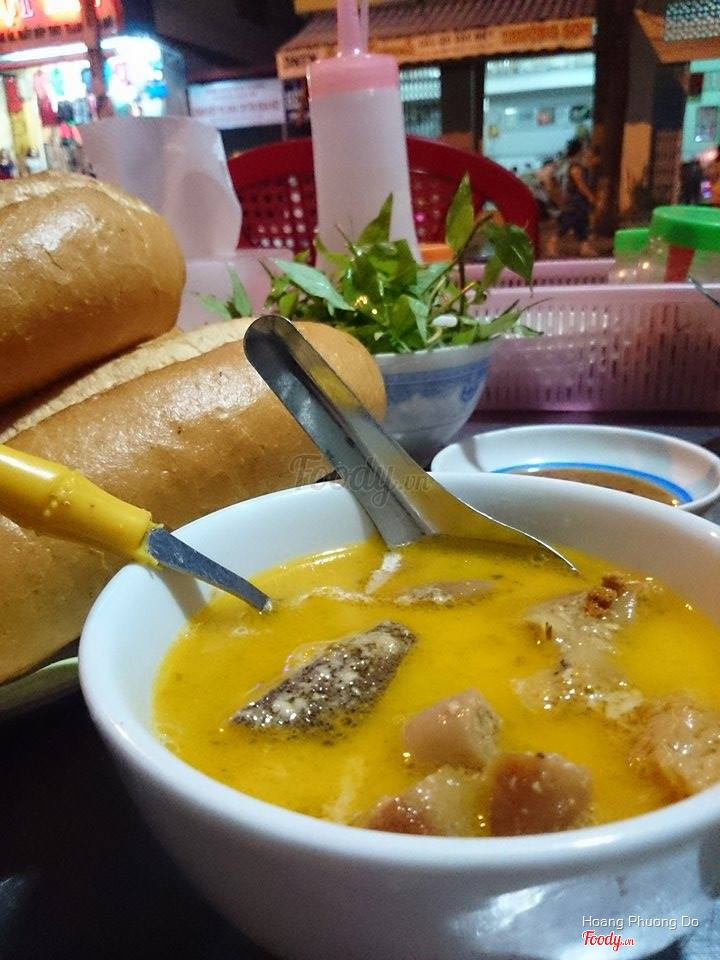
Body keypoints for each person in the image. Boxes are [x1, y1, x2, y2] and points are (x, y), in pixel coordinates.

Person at [558, 137, 596, 257]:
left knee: (582, 225)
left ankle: (585, 248)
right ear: (579, 150)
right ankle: (551, 245)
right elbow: (580, 184)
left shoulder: (575, 164)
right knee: (567, 224)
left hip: (577, 201)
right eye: (584, 148)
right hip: (576, 201)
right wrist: (590, 196)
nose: (585, 150)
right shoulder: (575, 166)